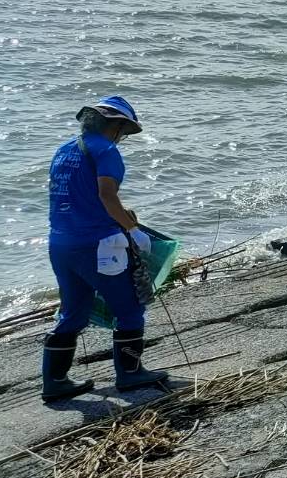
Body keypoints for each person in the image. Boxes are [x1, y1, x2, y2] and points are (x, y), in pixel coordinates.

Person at [43, 96, 168, 402]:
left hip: (60, 243)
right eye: (123, 131)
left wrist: (122, 219)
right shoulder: (106, 150)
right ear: (117, 126)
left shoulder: (64, 150)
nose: (122, 137)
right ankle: (130, 373)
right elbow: (106, 195)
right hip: (98, 245)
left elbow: (77, 196)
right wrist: (133, 230)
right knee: (130, 310)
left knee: (73, 312)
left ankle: (55, 381)